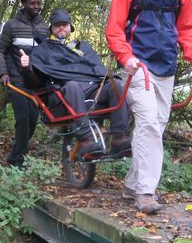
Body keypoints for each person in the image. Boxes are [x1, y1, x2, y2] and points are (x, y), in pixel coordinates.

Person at [106, 0, 192, 214]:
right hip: (137, 65)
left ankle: (131, 184)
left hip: (166, 66)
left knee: (155, 128)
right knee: (150, 125)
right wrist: (125, 58)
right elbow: (114, 28)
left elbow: (187, 30)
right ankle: (145, 192)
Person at [21, 9, 131, 158]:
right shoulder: (43, 50)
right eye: (57, 25)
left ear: (70, 27)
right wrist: (27, 68)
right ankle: (86, 140)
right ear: (51, 28)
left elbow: (99, 71)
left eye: (64, 25)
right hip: (64, 95)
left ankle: (120, 139)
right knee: (72, 86)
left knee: (116, 85)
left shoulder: (82, 47)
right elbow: (34, 83)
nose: (61, 28)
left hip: (93, 92)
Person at [0, 0, 50, 168]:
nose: (36, 6)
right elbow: (0, 51)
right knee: (23, 119)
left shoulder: (44, 27)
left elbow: (47, 54)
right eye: (32, 3)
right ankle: (18, 160)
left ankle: (16, 155)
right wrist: (3, 73)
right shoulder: (11, 25)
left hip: (35, 83)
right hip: (16, 81)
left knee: (33, 120)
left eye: (38, 3)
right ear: (24, 3)